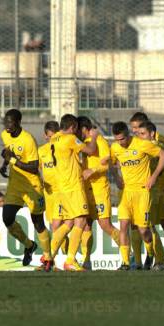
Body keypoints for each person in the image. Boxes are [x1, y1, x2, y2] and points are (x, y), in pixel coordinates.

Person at [108, 122, 164, 271]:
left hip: (143, 192)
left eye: (122, 139)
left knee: (143, 230)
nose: (119, 142)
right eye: (117, 139)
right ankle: (125, 262)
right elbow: (111, 162)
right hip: (126, 192)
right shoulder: (115, 147)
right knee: (123, 226)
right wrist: (116, 177)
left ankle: (150, 252)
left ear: (128, 135)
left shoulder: (141, 144)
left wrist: (154, 176)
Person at [0, 109, 53, 269]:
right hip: (15, 185)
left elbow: (35, 167)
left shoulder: (28, 140)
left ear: (18, 122)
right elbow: (9, 151)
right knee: (7, 218)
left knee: (37, 222)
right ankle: (29, 245)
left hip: (32, 186)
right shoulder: (5, 134)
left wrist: (13, 161)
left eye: (10, 122)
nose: (7, 125)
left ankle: (48, 258)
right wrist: (4, 164)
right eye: (6, 122)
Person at [49, 114, 98, 271]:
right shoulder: (70, 139)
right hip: (73, 186)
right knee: (81, 220)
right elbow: (90, 150)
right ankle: (70, 260)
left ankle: (48, 256)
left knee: (69, 222)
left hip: (62, 188)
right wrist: (94, 137)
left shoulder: (55, 138)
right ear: (72, 128)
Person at [136, 121, 164, 271]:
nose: (139, 136)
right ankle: (161, 260)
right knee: (150, 226)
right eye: (137, 132)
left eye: (142, 133)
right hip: (149, 192)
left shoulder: (160, 145)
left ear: (151, 133)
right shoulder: (141, 145)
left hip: (160, 192)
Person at [78, 116, 120, 271]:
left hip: (99, 189)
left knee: (105, 225)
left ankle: (127, 253)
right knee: (86, 225)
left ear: (83, 128)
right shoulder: (82, 144)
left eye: (78, 130)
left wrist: (93, 170)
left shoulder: (100, 141)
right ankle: (86, 260)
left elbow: (106, 165)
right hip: (85, 190)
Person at [38, 121, 66, 269]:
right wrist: (40, 181)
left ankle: (50, 259)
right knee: (54, 226)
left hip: (62, 191)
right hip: (48, 194)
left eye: (54, 137)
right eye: (49, 137)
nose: (52, 140)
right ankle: (60, 258)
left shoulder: (63, 148)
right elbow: (37, 169)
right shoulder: (41, 151)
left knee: (56, 225)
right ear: (45, 136)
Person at [127, 112, 151, 268]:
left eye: (137, 128)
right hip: (134, 191)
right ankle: (138, 260)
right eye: (133, 128)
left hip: (152, 191)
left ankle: (159, 258)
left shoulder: (155, 142)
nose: (134, 131)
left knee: (148, 228)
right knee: (135, 226)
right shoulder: (132, 144)